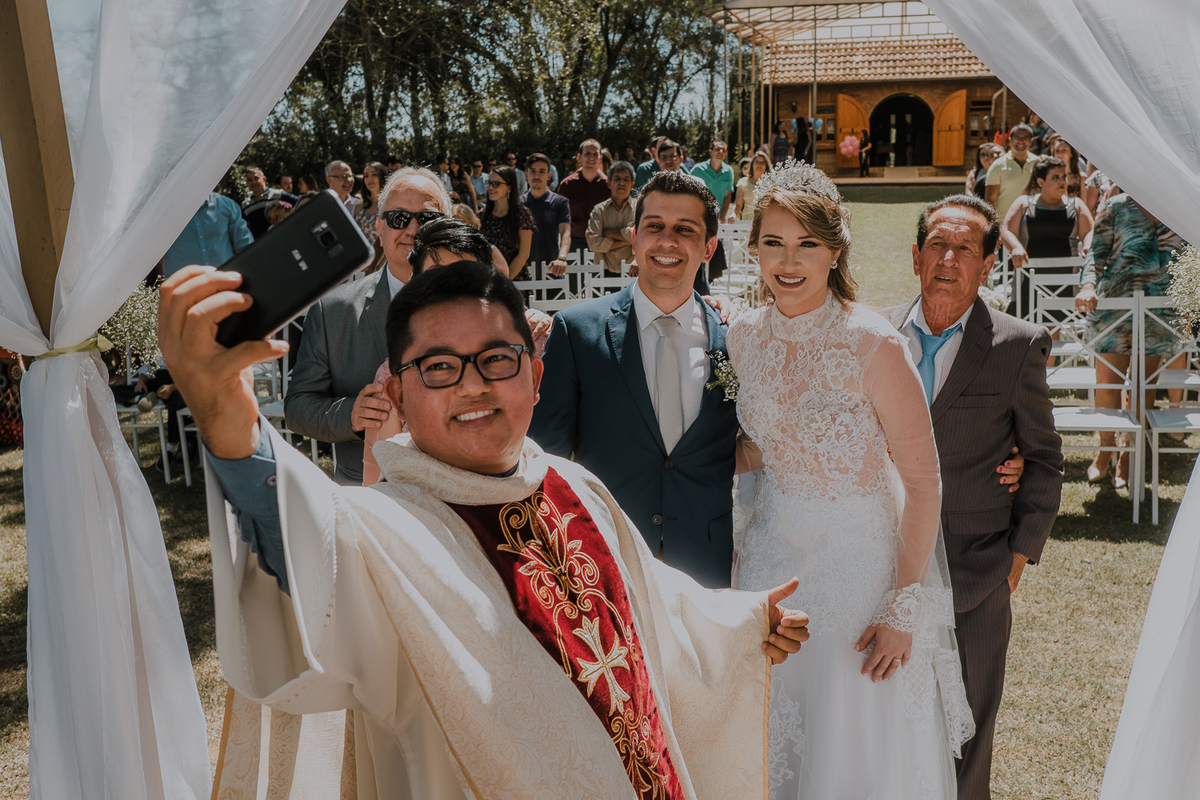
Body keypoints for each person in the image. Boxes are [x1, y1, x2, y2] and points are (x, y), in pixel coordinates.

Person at [160, 258, 809, 800]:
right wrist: (228, 422)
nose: (472, 386)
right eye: (439, 367)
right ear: (398, 394)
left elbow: (651, 605)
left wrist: (742, 624)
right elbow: (306, 546)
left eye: (496, 359)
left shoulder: (575, 486)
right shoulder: (388, 529)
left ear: (536, 376)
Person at [730, 160, 974, 800]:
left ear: (834, 252)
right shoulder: (742, 337)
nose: (789, 261)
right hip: (770, 560)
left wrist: (903, 603)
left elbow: (923, 484)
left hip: (858, 574)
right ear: (754, 248)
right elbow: (761, 445)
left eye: (807, 243)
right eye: (774, 242)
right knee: (774, 733)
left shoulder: (872, 343)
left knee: (849, 739)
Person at [883, 194, 1064, 800]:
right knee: (886, 723)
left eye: (965, 249)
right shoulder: (873, 334)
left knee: (969, 732)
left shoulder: (1018, 345)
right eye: (937, 245)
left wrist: (1018, 558)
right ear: (915, 256)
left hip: (976, 571)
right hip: (881, 563)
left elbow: (1043, 459)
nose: (948, 259)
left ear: (987, 265)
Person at [531, 171, 739, 588]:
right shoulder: (576, 331)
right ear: (634, 237)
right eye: (654, 227)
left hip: (704, 562)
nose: (667, 241)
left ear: (709, 247)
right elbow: (545, 459)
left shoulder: (734, 339)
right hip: (603, 559)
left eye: (685, 230)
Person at [284, 167, 449, 484]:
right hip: (368, 491)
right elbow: (298, 407)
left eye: (428, 219)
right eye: (399, 218)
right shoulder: (334, 310)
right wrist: (351, 414)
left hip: (461, 490)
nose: (413, 229)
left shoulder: (480, 306)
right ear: (380, 229)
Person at [359, 217, 554, 485]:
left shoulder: (537, 341)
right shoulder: (395, 374)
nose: (472, 386)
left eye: (467, 274)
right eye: (438, 367)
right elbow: (377, 478)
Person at [1075, 193, 1185, 487]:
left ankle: (1128, 454)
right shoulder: (1116, 206)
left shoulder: (1177, 205)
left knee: (1143, 387)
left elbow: (1190, 259)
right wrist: (1088, 286)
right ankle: (1106, 448)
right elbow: (1095, 254)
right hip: (1116, 307)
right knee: (1108, 385)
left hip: (1159, 311)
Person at [1000, 156, 1094, 319]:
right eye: (1055, 177)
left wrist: (1087, 245)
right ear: (1040, 182)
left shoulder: (1076, 205)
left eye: (1063, 176)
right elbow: (1006, 230)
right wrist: (1015, 247)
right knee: (1026, 324)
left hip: (1067, 279)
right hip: (1029, 278)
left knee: (1061, 325)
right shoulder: (1024, 203)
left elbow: (1089, 232)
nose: (1062, 182)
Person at [161, 192, 253, 277]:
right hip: (183, 286)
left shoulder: (226, 205)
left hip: (225, 281)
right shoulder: (163, 214)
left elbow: (247, 247)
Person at [688, 140, 737, 280]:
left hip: (714, 219)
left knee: (712, 247)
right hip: (696, 215)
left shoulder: (728, 171)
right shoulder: (697, 169)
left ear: (726, 154)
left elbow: (727, 196)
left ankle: (706, 281)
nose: (720, 152)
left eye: (723, 150)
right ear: (711, 151)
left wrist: (722, 216)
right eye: (717, 149)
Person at [479, 165, 536, 280]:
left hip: (515, 280)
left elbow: (524, 254)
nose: (490, 187)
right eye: (489, 183)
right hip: (488, 280)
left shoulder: (522, 214)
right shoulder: (481, 215)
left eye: (496, 183)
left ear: (509, 187)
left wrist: (505, 282)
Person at [520, 153, 572, 277]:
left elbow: (566, 232)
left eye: (542, 171)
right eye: (533, 171)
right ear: (526, 175)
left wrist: (562, 258)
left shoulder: (560, 202)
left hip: (553, 269)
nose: (537, 176)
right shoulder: (518, 204)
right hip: (523, 270)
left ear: (549, 176)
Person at [557, 139, 611, 256]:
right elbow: (559, 216)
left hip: (601, 243)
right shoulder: (566, 185)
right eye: (587, 153)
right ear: (579, 157)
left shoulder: (609, 185)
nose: (591, 158)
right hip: (573, 242)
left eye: (595, 154)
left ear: (600, 158)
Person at [586, 160, 637, 276]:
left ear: (632, 185)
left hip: (633, 272)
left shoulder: (640, 208)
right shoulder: (598, 210)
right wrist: (627, 241)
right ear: (609, 183)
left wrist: (608, 233)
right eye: (617, 179)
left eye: (626, 179)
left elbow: (641, 237)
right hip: (603, 274)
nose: (621, 183)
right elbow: (593, 243)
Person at [984, 124, 1039, 222]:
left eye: (1025, 138)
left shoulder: (1038, 163)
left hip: (1033, 223)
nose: (1021, 141)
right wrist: (995, 226)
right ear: (1010, 140)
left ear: (1031, 141)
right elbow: (990, 201)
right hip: (1004, 224)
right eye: (1017, 138)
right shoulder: (998, 165)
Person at [241, 167, 297, 239]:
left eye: (256, 178)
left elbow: (300, 203)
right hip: (261, 243)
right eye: (250, 180)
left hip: (283, 238)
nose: (253, 182)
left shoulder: (278, 195)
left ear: (264, 179)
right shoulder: (245, 205)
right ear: (247, 183)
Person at [357, 161, 388, 272]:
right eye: (366, 176)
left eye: (374, 174)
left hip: (384, 264)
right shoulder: (360, 206)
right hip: (363, 264)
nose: (369, 179)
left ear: (382, 177)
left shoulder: (390, 204)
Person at [734, 152, 770, 221]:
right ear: (752, 164)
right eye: (757, 162)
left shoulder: (771, 183)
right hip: (747, 222)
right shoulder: (743, 182)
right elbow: (738, 205)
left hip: (766, 222)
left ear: (766, 165)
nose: (759, 165)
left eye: (762, 163)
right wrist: (734, 214)